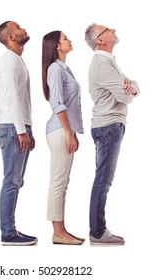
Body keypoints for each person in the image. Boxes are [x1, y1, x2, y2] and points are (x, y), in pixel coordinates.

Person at [85, 24, 139, 245]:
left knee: (104, 179)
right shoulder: (101, 63)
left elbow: (134, 86)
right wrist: (128, 90)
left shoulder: (108, 62)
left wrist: (131, 87)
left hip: (111, 125)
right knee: (103, 180)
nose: (114, 29)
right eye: (107, 28)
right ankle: (97, 231)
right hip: (108, 126)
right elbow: (125, 96)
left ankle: (97, 230)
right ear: (100, 40)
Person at [0, 21, 37, 246]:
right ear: (11, 37)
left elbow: (20, 100)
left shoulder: (16, 59)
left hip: (18, 127)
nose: (24, 29)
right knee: (11, 181)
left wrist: (28, 129)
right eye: (19, 27)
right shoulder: (9, 60)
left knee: (16, 181)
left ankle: (10, 230)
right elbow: (12, 98)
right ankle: (8, 233)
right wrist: (22, 131)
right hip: (12, 128)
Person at [41, 31, 85, 245]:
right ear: (56, 46)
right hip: (60, 131)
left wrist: (72, 131)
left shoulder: (63, 68)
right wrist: (69, 132)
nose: (69, 40)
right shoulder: (54, 69)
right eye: (65, 38)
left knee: (62, 182)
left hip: (65, 130)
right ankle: (58, 232)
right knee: (58, 182)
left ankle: (61, 230)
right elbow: (57, 103)